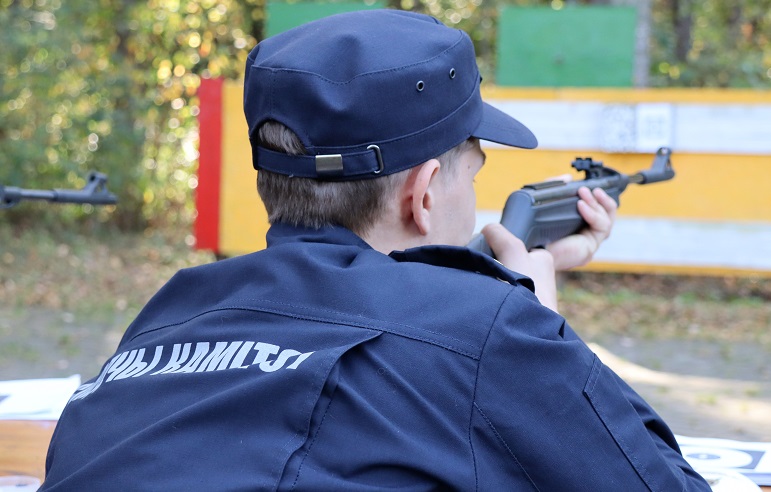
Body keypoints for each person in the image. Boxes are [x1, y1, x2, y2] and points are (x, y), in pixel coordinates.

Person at [41, 10, 710, 491]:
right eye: (472, 178)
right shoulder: (490, 329)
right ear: (423, 194)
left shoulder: (170, 310)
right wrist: (532, 312)